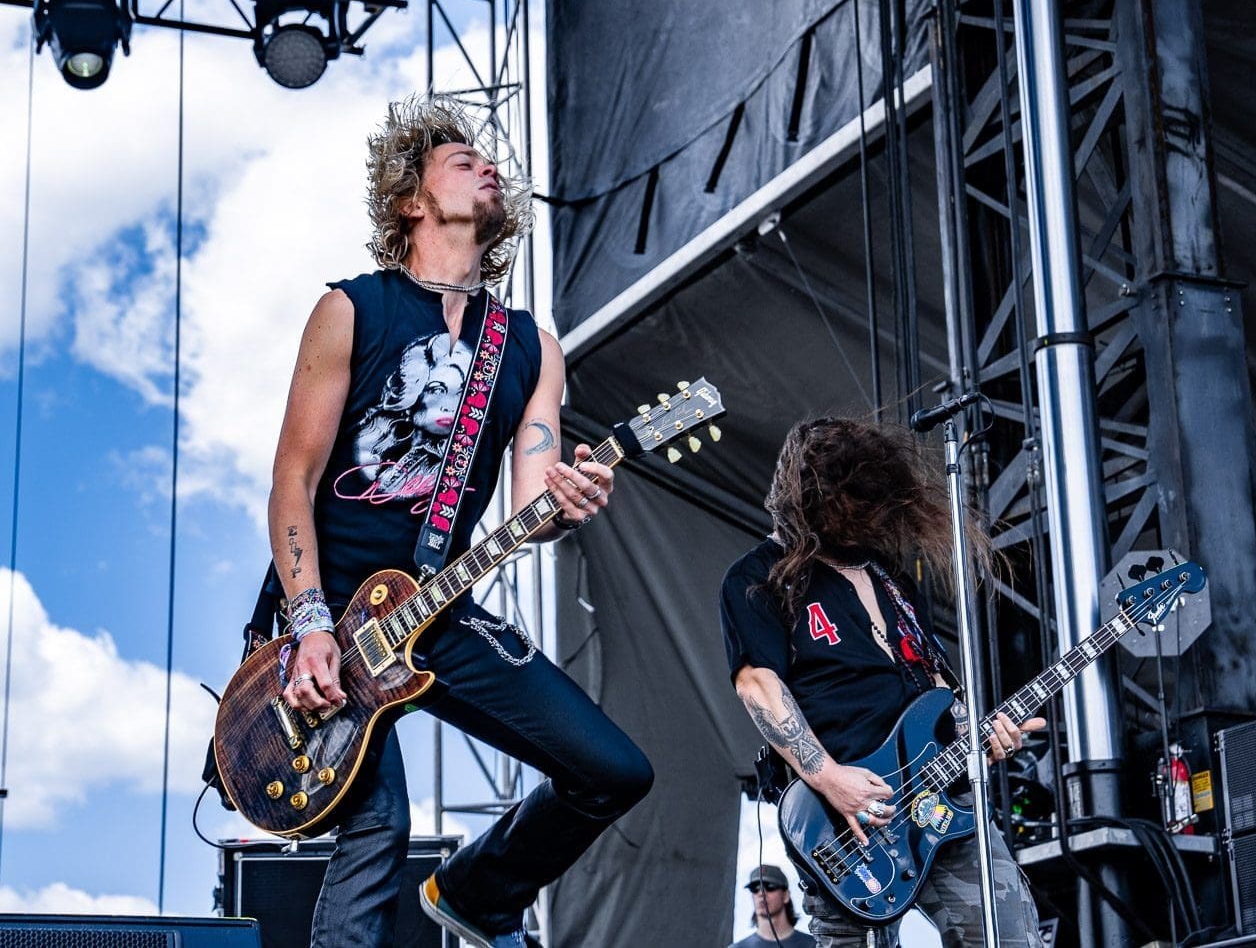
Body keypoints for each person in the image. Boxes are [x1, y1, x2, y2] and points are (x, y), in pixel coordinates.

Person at [268, 95, 653, 948]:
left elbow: (531, 507)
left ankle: (479, 893)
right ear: (411, 198)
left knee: (613, 770)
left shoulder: (528, 346)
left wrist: (565, 501)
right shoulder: (352, 310)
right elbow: (292, 478)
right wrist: (308, 624)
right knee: (378, 829)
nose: (485, 163)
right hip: (325, 611)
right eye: (458, 157)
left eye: (486, 159)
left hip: (437, 606)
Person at [719, 418, 1045, 948]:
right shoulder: (758, 576)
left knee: (1009, 936)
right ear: (814, 500)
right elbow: (758, 685)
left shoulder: (889, 575)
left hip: (944, 802)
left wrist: (977, 733)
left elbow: (936, 688)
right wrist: (830, 778)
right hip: (844, 822)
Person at [730, 865, 817, 948]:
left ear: (786, 895)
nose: (761, 893)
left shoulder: (815, 945)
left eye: (770, 886)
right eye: (755, 888)